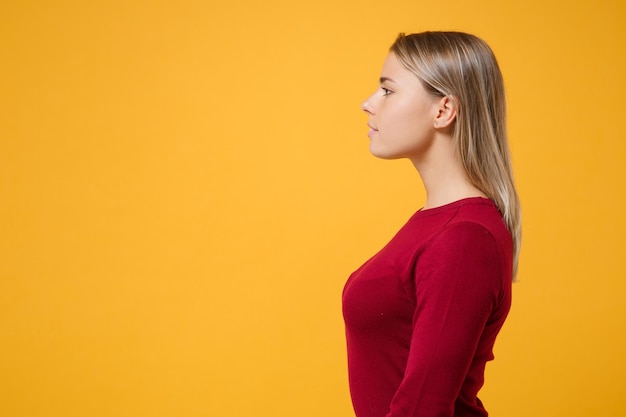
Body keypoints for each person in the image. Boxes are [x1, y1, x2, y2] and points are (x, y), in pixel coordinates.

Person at [342, 31, 521, 417]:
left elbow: (423, 407)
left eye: (388, 91)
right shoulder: (441, 224)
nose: (368, 104)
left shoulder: (465, 238)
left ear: (443, 111)